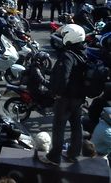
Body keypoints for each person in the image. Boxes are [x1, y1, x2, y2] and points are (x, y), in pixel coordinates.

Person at [40, 24, 88, 165]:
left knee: (59, 127)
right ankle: (74, 153)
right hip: (78, 97)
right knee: (76, 126)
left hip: (66, 98)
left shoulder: (68, 55)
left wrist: (56, 93)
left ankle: (54, 157)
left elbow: (63, 78)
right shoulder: (83, 52)